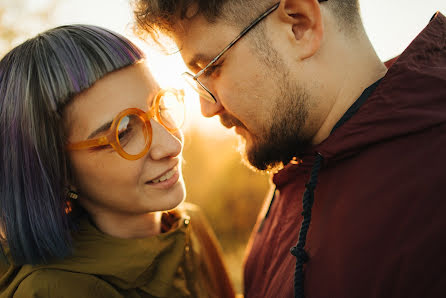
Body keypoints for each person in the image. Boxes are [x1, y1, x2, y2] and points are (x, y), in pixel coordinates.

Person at [133, 0, 446, 297]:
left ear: (300, 24)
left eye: (212, 68)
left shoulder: (432, 184)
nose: (206, 107)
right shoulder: (298, 168)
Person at [0, 24, 235, 298]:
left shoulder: (189, 225)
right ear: (59, 170)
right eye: (123, 133)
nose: (172, 145)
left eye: (162, 106)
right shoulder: (51, 291)